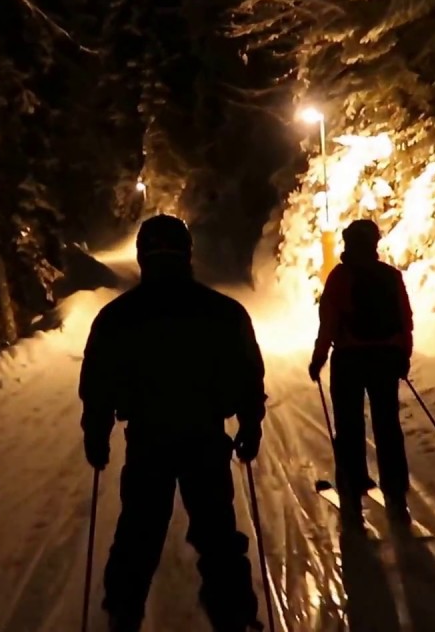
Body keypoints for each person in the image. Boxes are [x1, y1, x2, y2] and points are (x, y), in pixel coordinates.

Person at [80, 214, 267, 632]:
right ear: (187, 254)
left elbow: (99, 381)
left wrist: (96, 432)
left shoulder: (118, 317)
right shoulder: (223, 312)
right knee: (217, 533)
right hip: (204, 437)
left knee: (139, 531)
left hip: (149, 439)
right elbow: (247, 373)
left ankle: (123, 612)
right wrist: (250, 423)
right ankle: (233, 615)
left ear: (142, 256)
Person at [308, 219, 414, 528]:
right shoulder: (390, 276)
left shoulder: (340, 277)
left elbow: (328, 321)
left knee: (349, 426)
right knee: (388, 425)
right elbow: (405, 319)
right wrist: (403, 356)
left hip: (349, 359)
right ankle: (396, 494)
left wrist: (319, 357)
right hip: (385, 358)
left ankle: (352, 492)